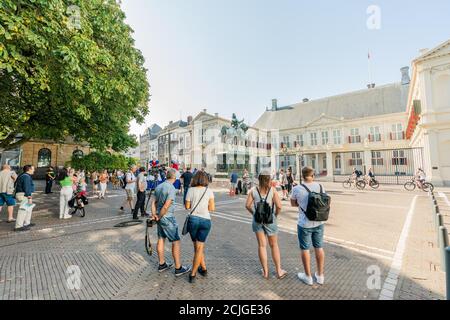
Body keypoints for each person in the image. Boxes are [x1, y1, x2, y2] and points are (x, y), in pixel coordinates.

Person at [245, 169, 286, 280]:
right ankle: (278, 271)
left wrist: (254, 213)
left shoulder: (253, 190)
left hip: (257, 220)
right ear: (269, 179)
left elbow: (247, 205)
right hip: (270, 220)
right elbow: (279, 206)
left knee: (262, 246)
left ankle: (266, 272)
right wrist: (275, 215)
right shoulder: (272, 190)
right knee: (274, 245)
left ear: (259, 179)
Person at [151, 168, 191, 276]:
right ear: (174, 177)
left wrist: (154, 215)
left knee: (161, 238)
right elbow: (166, 206)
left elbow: (153, 203)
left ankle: (162, 263)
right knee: (176, 241)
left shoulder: (159, 186)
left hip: (160, 217)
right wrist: (159, 216)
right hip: (167, 217)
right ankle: (178, 267)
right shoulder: (171, 188)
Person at [290, 166, 326, 286]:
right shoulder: (320, 186)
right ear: (313, 175)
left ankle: (308, 276)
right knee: (319, 247)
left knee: (305, 249)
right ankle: (320, 276)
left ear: (302, 175)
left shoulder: (297, 188)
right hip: (319, 222)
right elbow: (324, 202)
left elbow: (293, 204)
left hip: (304, 223)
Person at [185, 171, 215, 283]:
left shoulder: (190, 190)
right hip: (205, 220)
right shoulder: (209, 191)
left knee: (197, 247)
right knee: (199, 247)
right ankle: (203, 269)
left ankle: (193, 273)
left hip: (193, 220)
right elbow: (212, 208)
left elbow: (187, 206)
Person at [14, 165, 36, 231]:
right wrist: (29, 196)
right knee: (23, 210)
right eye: (33, 169)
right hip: (24, 195)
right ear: (29, 169)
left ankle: (27, 223)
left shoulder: (23, 175)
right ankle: (18, 226)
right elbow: (27, 187)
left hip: (24, 194)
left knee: (28, 209)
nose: (34, 170)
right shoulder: (26, 177)